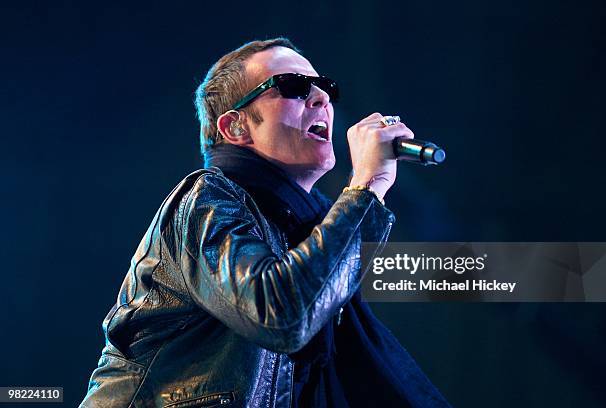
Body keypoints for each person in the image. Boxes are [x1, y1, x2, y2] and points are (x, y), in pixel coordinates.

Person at [81, 38, 450, 407]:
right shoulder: (205, 199)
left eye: (324, 87)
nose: (321, 98)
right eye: (293, 86)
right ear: (237, 127)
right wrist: (367, 187)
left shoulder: (310, 230)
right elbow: (281, 313)